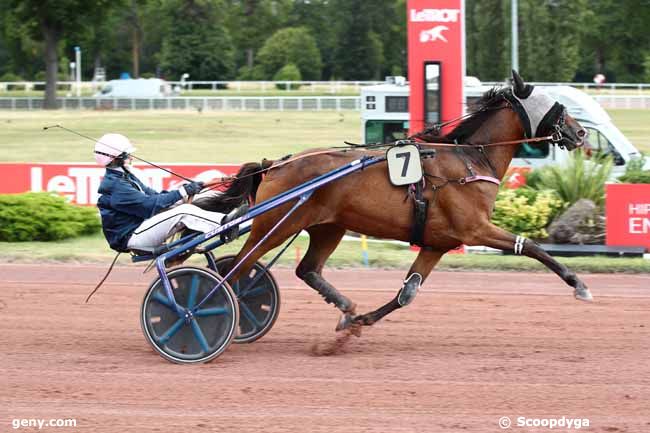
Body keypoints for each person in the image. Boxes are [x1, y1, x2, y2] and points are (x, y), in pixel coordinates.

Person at [94, 133, 242, 253]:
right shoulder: (115, 185)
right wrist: (183, 191)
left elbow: (155, 196)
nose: (131, 158)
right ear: (116, 158)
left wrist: (195, 187)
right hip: (132, 237)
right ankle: (225, 224)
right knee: (184, 211)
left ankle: (231, 218)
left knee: (193, 199)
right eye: (127, 155)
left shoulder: (126, 177)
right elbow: (149, 206)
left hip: (142, 227)